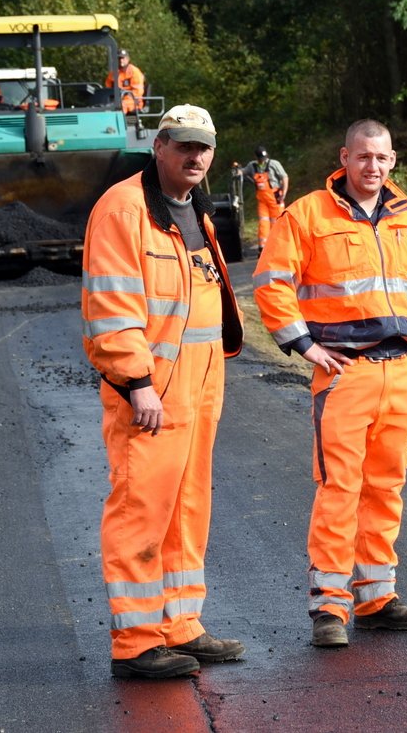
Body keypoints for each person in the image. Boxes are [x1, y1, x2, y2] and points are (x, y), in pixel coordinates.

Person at [252, 119, 407, 649]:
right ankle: (330, 608)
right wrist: (305, 346)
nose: (373, 167)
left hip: (400, 372)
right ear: (345, 157)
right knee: (339, 487)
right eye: (363, 157)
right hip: (345, 375)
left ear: (393, 161)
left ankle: (376, 599)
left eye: (382, 158)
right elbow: (272, 283)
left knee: (386, 485)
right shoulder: (307, 215)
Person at [81, 103, 246, 679]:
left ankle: (180, 625)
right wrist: (137, 383)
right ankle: (136, 640)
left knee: (187, 505)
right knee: (142, 507)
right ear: (159, 145)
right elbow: (111, 307)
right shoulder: (124, 209)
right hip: (150, 390)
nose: (195, 155)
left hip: (200, 384)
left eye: (204, 147)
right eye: (183, 145)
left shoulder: (193, 205)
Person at [234, 146, 290, 253]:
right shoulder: (252, 166)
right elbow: (243, 172)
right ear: (256, 157)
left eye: (263, 158)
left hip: (275, 198)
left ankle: (279, 247)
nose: (262, 160)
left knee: (277, 222)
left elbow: (284, 177)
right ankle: (263, 248)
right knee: (263, 223)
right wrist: (237, 171)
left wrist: (284, 193)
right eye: (260, 158)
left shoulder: (274, 164)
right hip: (262, 200)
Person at [104, 49, 146, 115]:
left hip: (134, 101)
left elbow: (137, 92)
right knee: (102, 105)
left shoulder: (134, 72)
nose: (121, 60)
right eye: (119, 58)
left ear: (128, 59)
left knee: (121, 105)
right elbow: (107, 89)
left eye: (123, 58)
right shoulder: (113, 73)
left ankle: (120, 124)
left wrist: (122, 97)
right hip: (116, 100)